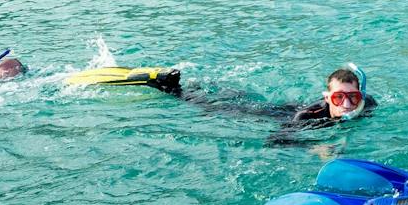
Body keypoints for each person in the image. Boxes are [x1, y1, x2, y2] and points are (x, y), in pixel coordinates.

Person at [153, 63, 378, 144]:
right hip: (279, 114)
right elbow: (276, 140)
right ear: (327, 97)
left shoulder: (367, 104)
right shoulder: (310, 117)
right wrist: (314, 147)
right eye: (339, 97)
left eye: (353, 97)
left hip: (290, 106)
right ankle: (171, 86)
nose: (347, 103)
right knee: (221, 107)